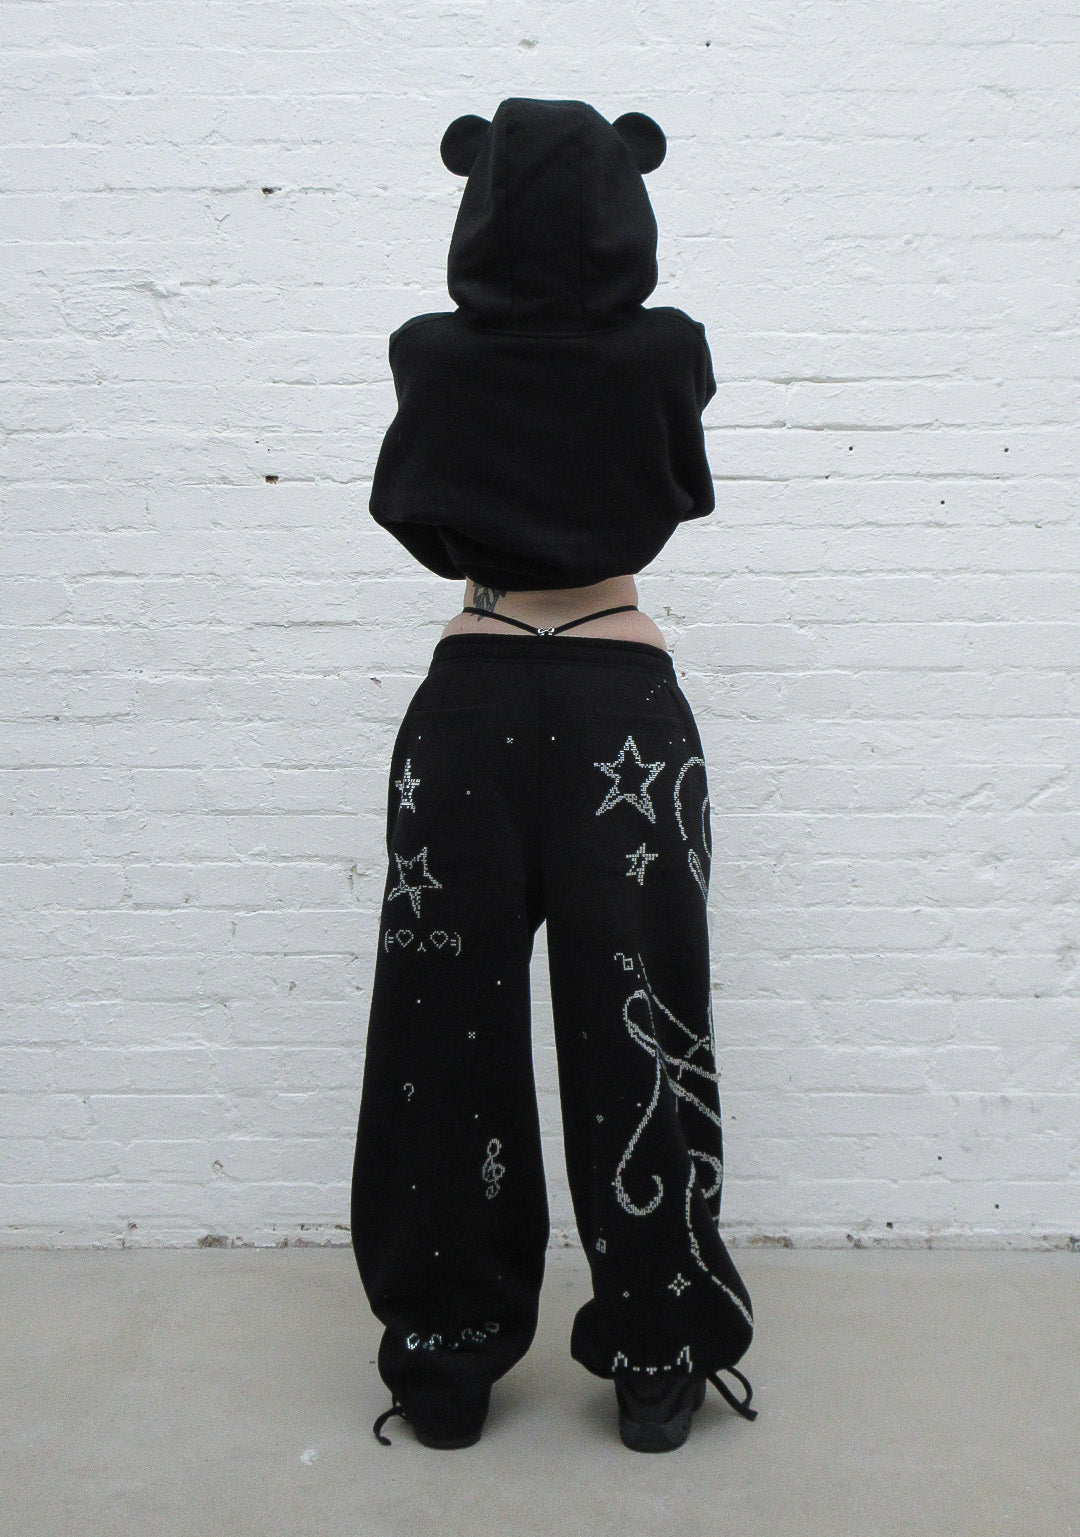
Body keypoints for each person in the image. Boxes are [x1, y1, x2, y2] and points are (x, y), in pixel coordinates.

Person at [350, 97, 758, 1454]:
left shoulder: (428, 355)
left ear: (476, 199)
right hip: (618, 691)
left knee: (438, 1029)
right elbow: (678, 486)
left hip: (469, 697)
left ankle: (444, 1361)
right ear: (625, 197)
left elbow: (414, 513)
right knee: (645, 1019)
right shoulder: (668, 352)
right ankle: (658, 1355)